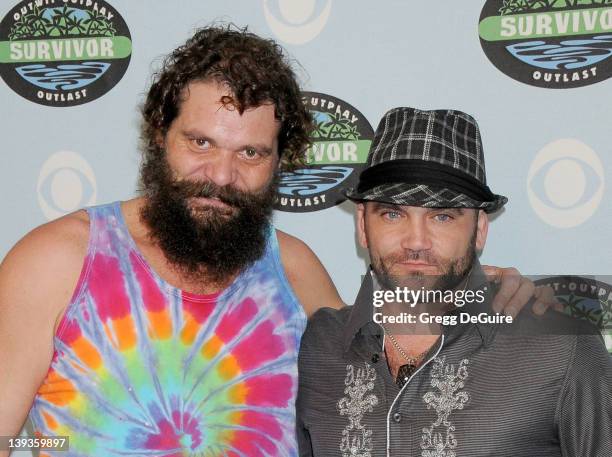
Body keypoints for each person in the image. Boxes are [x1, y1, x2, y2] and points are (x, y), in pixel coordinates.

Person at [0, 26, 548, 457]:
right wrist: (59, 444)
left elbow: (382, 375)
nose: (220, 174)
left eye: (251, 154)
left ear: (279, 163)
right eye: (200, 142)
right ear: (158, 136)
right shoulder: (61, 258)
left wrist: (474, 296)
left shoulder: (292, 268)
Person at [297, 107, 611, 456]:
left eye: (443, 216)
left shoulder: (561, 349)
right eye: (392, 213)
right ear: (362, 225)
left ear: (479, 230)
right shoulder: (313, 349)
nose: (416, 241)